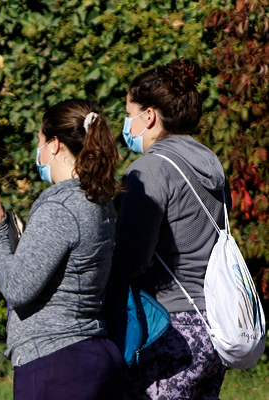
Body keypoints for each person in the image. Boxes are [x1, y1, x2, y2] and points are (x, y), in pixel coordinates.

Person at [0, 99, 125, 399]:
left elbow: (17, 288)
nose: (38, 151)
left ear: (54, 144)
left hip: (55, 363)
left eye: (40, 142)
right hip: (92, 352)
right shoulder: (99, 199)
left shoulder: (59, 205)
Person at [113, 58, 229, 399]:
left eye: (128, 112)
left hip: (169, 326)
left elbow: (131, 259)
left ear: (148, 116)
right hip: (215, 326)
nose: (127, 123)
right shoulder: (211, 164)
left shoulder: (150, 169)